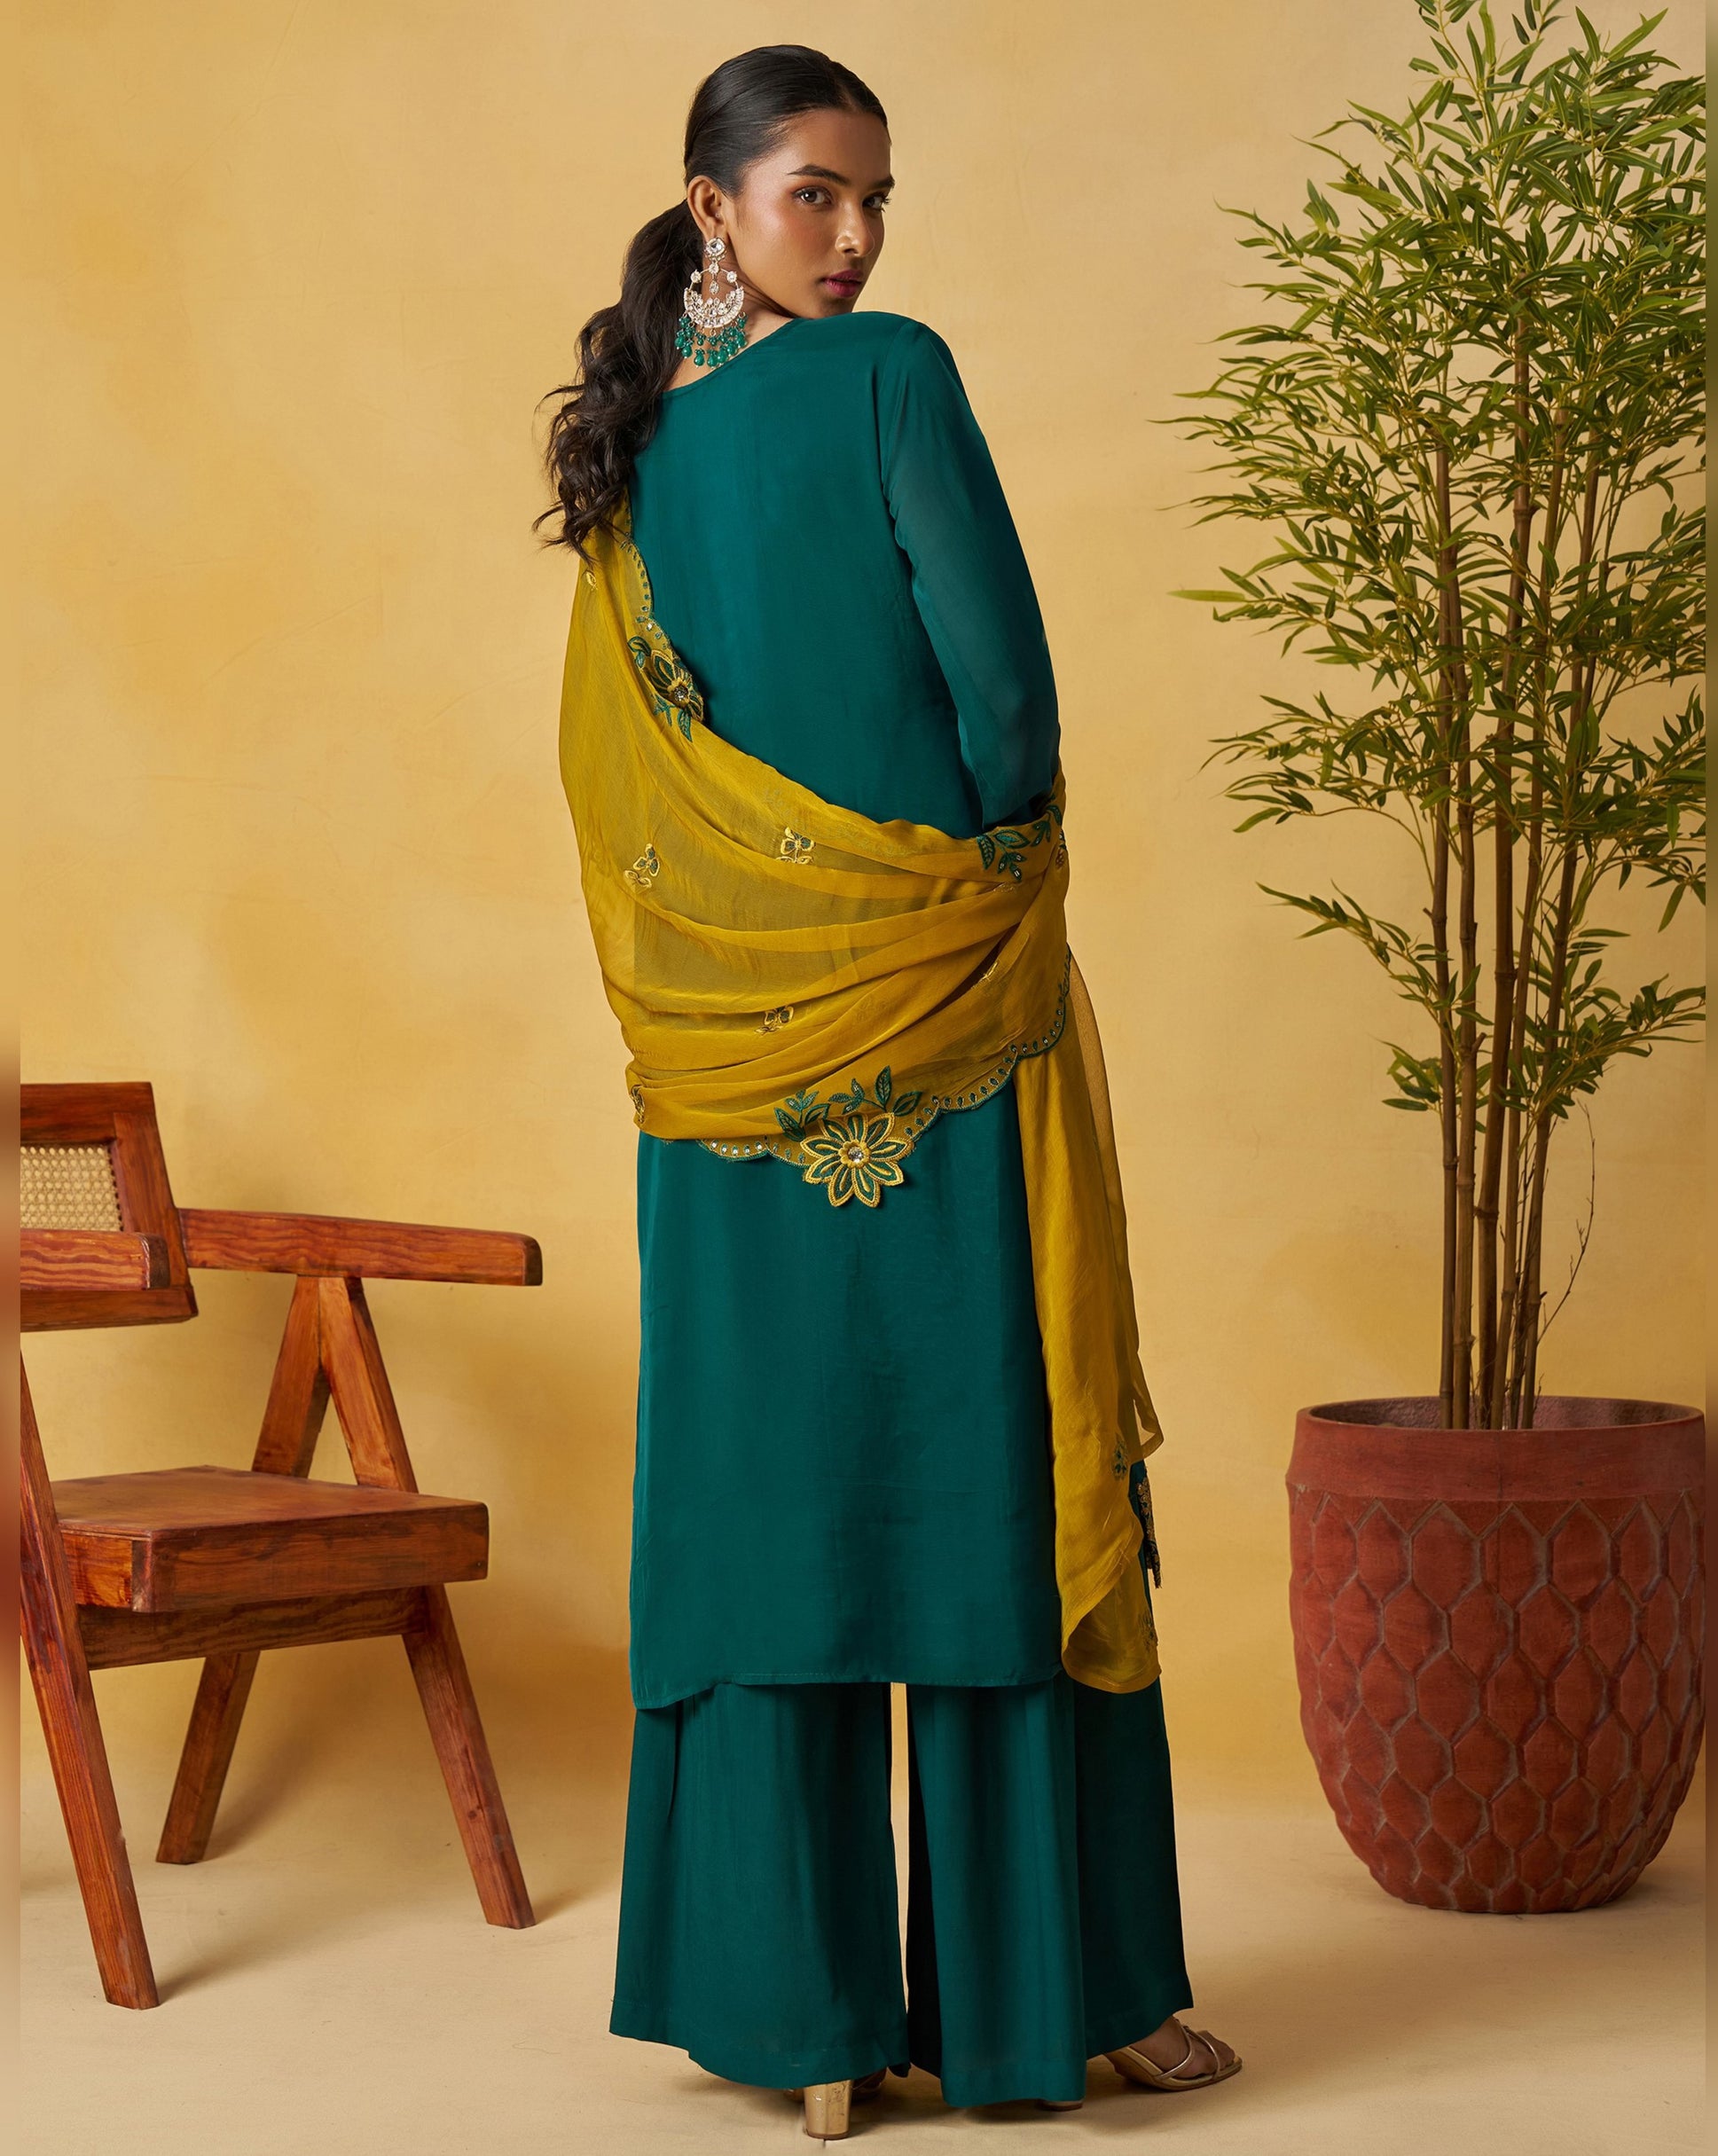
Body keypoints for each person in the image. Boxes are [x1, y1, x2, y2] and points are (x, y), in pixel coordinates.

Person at [537, 43, 1239, 2140]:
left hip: (724, 1080)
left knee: (772, 1507)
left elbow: (618, 796)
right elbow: (1006, 697)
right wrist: (982, 875)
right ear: (714, 206)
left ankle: (804, 2021)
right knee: (985, 1492)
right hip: (947, 1033)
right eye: (815, 197)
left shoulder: (628, 470)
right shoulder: (893, 378)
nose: (855, 239)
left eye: (873, 202)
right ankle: (1049, 2001)